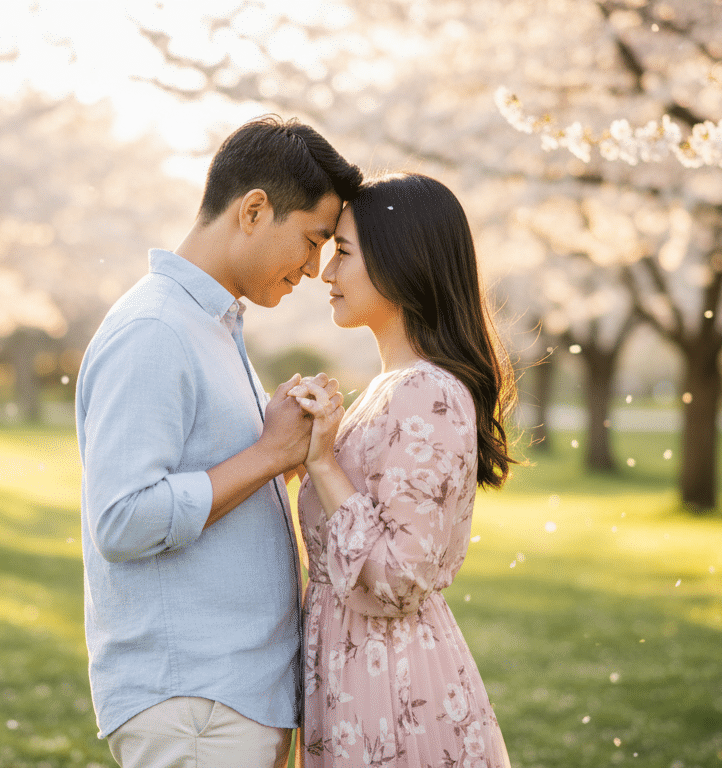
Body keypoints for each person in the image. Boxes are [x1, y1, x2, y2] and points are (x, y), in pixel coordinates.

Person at [74, 115, 361, 768]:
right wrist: (267, 454)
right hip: (194, 701)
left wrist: (291, 447)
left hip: (228, 698)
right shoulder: (156, 330)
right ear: (255, 210)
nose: (315, 268)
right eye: (313, 240)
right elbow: (122, 518)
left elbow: (218, 480)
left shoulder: (210, 326)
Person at [289, 173, 517, 767]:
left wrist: (322, 463)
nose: (325, 273)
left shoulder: (428, 394)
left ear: (400, 262)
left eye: (343, 252)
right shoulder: (392, 389)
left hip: (390, 691)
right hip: (355, 676)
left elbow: (397, 579)